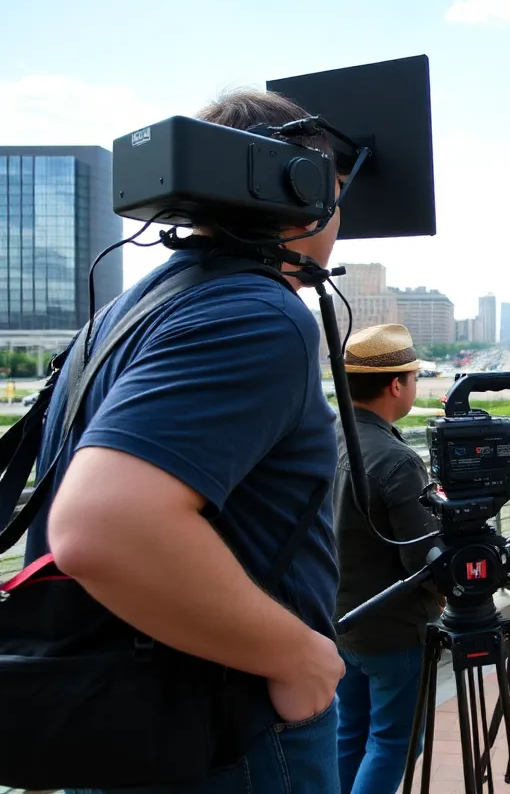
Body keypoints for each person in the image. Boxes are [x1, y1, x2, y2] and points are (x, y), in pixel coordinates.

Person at [26, 90, 346, 792]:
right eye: (335, 192)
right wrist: (297, 656)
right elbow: (101, 526)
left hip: (126, 709)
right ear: (302, 190)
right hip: (228, 726)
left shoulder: (128, 310)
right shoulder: (258, 313)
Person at [331, 324, 444, 794]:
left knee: (349, 734)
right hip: (393, 632)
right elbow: (426, 562)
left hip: (339, 620)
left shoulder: (329, 438)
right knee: (395, 743)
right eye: (414, 377)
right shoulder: (396, 460)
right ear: (396, 385)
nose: (415, 385)